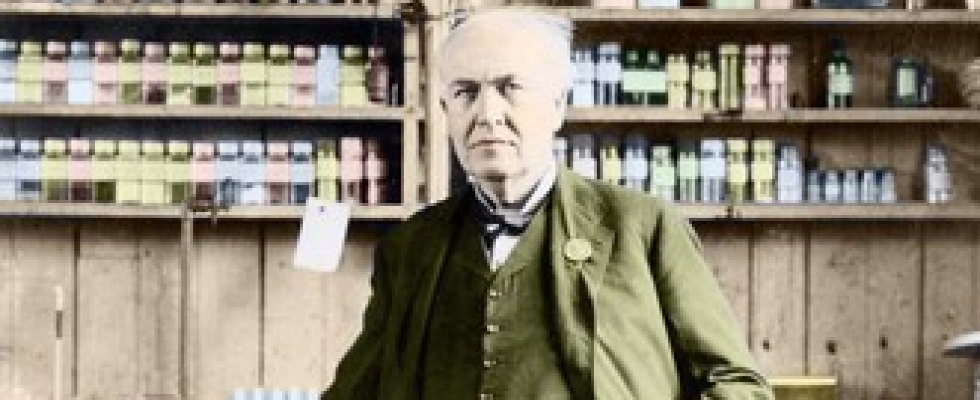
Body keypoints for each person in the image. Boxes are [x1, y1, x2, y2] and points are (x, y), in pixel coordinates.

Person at [322, 9, 773, 400]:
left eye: (510, 88)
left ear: (557, 106)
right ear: (446, 112)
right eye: (465, 93)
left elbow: (736, 385)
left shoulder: (642, 226)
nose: (488, 114)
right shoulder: (411, 247)